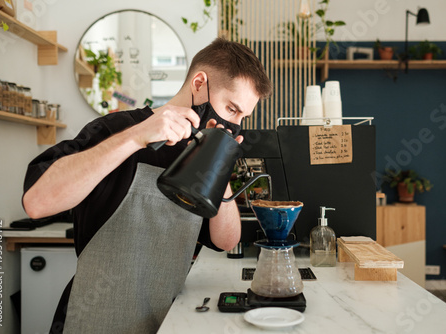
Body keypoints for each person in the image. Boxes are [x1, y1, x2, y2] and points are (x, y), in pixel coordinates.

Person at [22, 37, 272, 333]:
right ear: (199, 83)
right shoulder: (114, 129)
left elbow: (226, 241)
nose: (235, 124)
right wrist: (137, 136)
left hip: (167, 321)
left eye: (242, 116)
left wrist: (220, 165)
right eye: (231, 109)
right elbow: (37, 203)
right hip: (95, 318)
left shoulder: (202, 153)